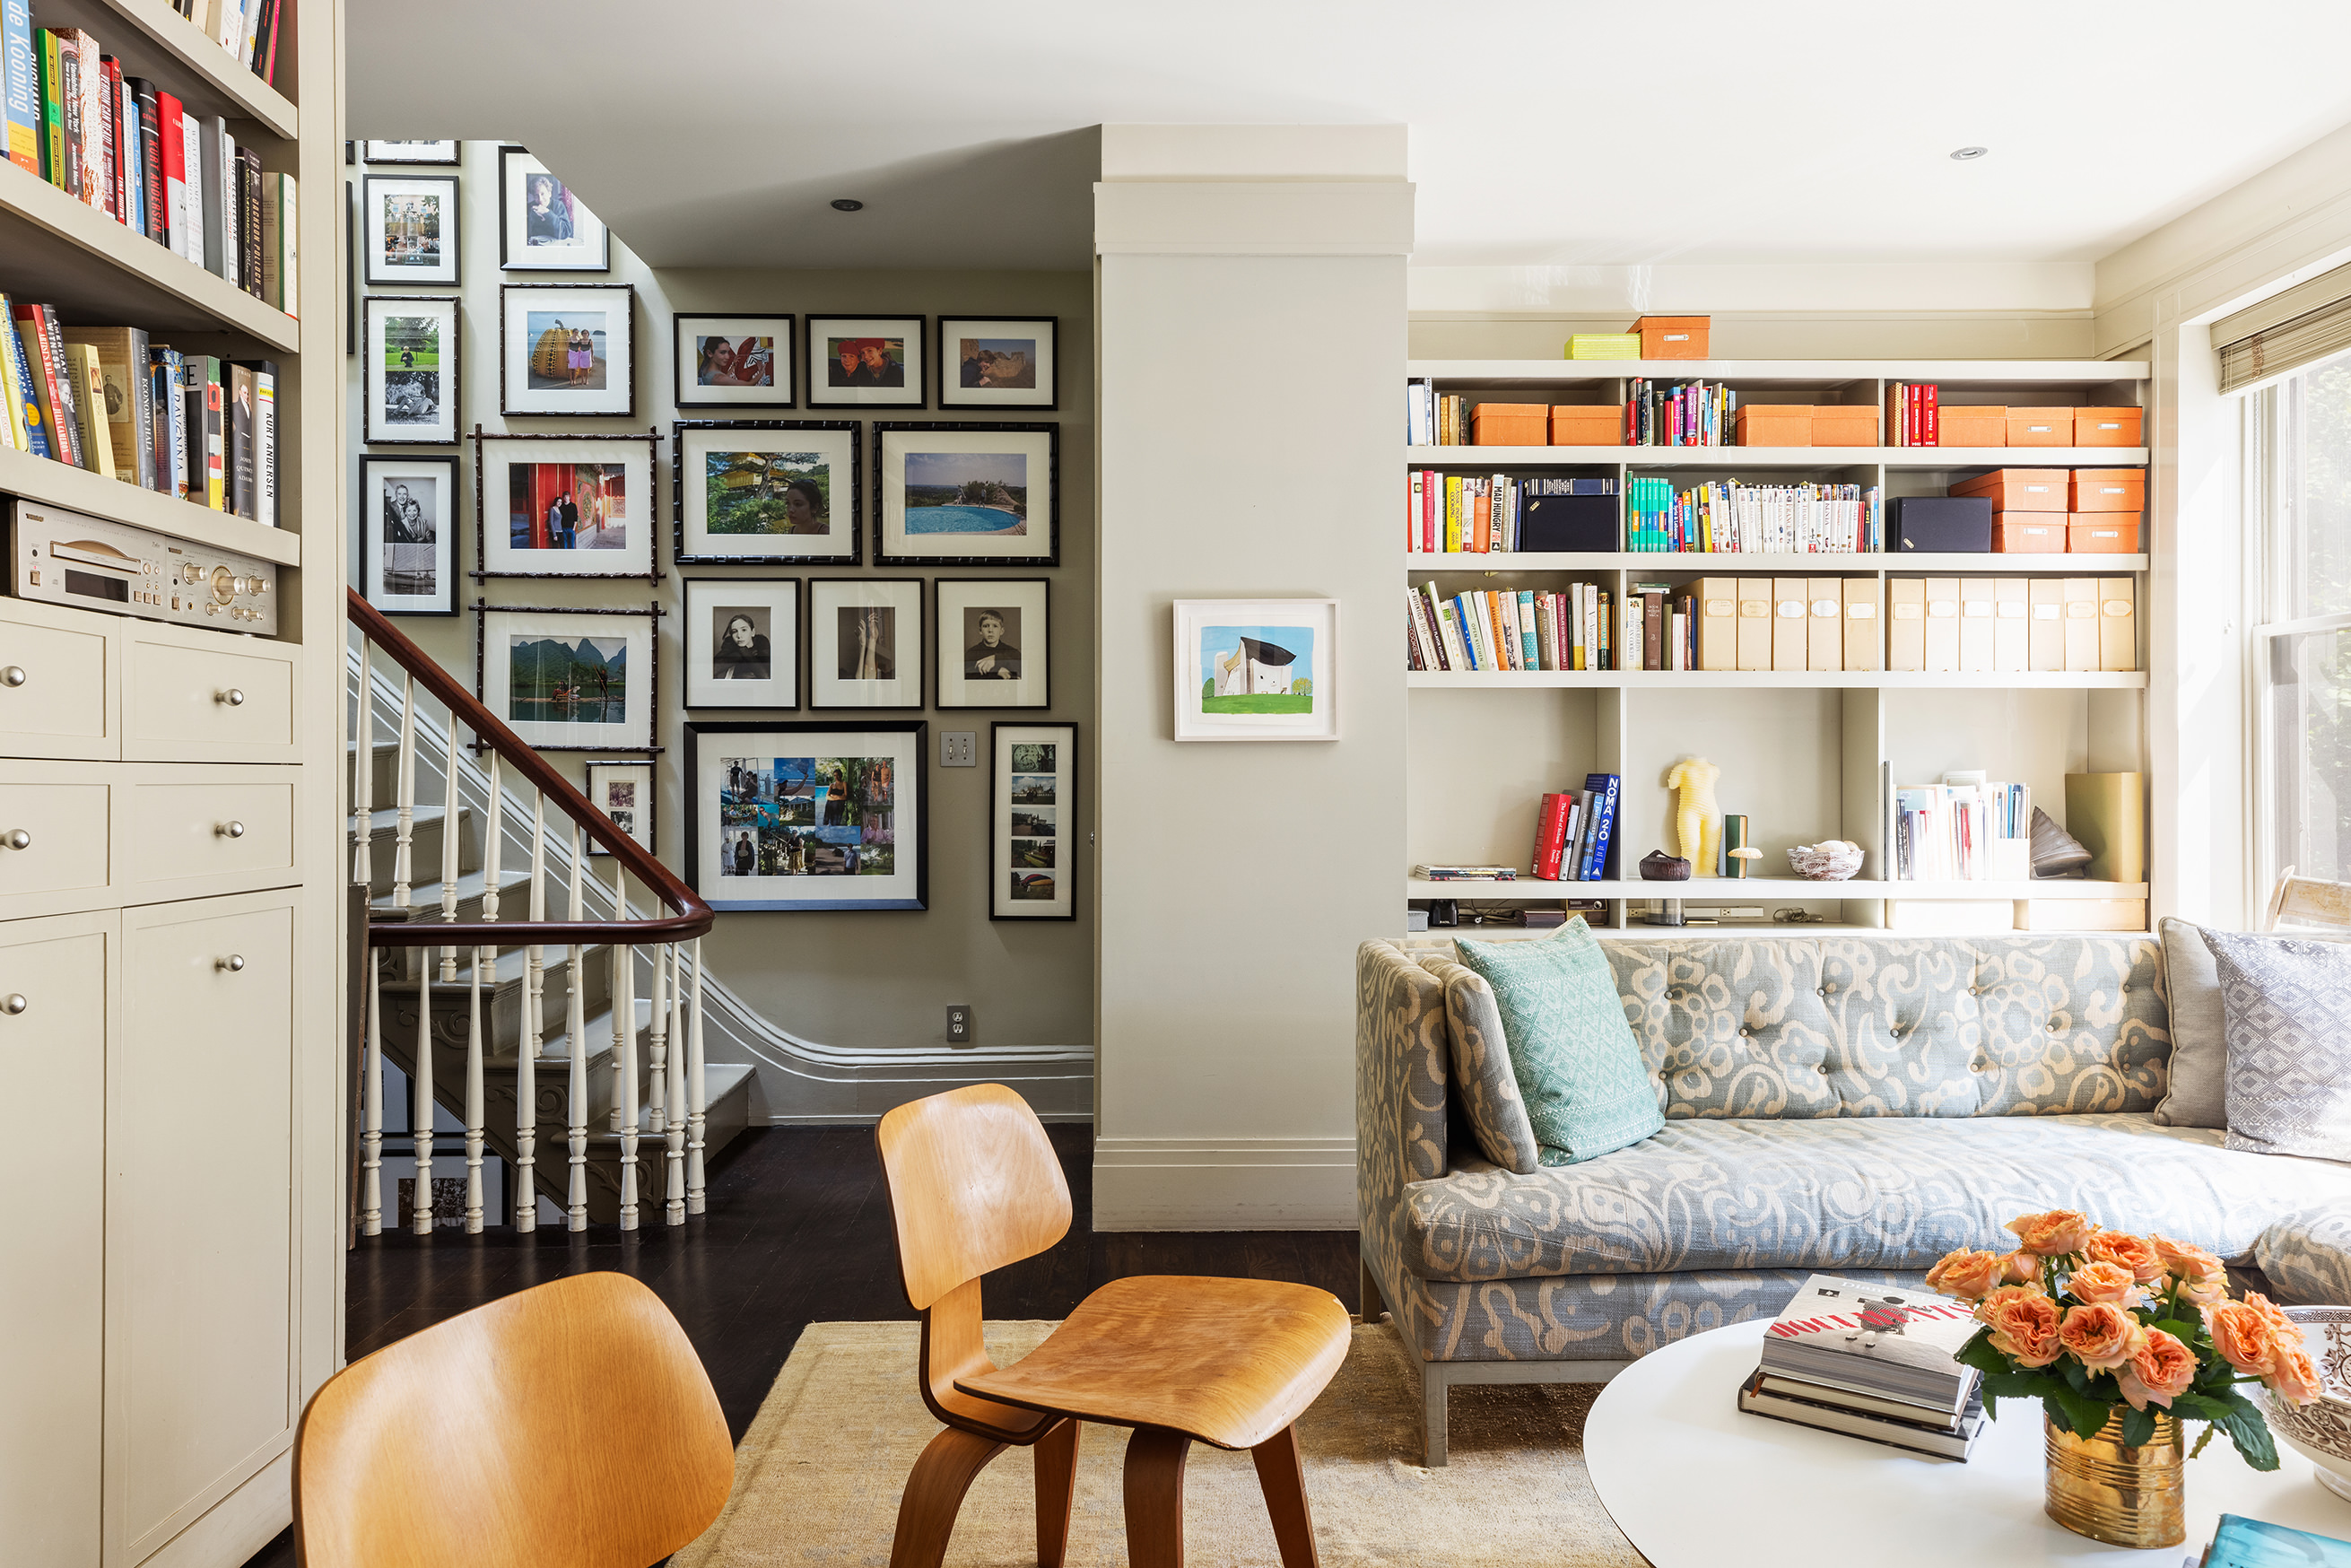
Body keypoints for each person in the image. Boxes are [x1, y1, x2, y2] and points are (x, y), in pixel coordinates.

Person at [963, 609, 1021, 680]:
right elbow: (966, 677)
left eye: (995, 626)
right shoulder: (971, 653)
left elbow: (1022, 671)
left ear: (1001, 631)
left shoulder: (1013, 652)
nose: (990, 630)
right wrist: (995, 671)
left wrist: (997, 658)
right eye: (986, 626)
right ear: (980, 631)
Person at [712, 613, 771, 681]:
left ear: (753, 632)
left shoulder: (762, 645)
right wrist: (741, 652)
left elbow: (765, 677)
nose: (739, 636)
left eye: (744, 630)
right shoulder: (729, 648)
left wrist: (746, 653)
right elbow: (712, 670)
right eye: (734, 631)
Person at [527, 174, 572, 247]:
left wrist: (547, 213)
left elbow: (565, 232)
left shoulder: (558, 206)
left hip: (555, 246)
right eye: (536, 195)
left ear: (549, 193)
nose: (540, 199)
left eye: (542, 194)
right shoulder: (529, 207)